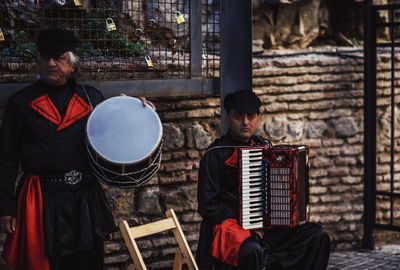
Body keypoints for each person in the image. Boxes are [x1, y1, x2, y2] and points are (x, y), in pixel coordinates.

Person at [0, 28, 152, 270]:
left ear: (72, 63)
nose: (51, 63)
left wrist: (137, 111)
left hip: (84, 197)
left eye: (58, 58)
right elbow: (6, 159)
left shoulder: (92, 98)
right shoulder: (21, 103)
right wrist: (6, 208)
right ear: (38, 61)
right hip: (40, 199)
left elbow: (117, 137)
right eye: (45, 57)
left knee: (87, 262)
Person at [196, 90, 331, 270]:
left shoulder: (265, 147)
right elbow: (207, 207)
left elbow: (279, 189)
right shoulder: (215, 154)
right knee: (251, 249)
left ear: (258, 117)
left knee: (317, 234)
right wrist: (248, 219)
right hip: (231, 224)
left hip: (268, 225)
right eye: (238, 116)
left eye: (251, 116)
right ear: (227, 117)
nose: (245, 122)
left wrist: (289, 204)